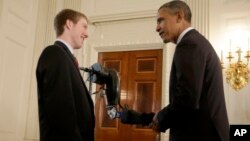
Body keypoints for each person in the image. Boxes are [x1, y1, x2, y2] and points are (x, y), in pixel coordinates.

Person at [150, 1, 229, 141]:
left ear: (179, 16)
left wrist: (160, 119)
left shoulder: (188, 45)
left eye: (160, 20)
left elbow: (187, 100)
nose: (157, 28)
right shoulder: (197, 42)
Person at [36, 9, 95, 141]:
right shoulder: (54, 54)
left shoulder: (66, 58)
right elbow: (61, 115)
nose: (87, 34)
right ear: (69, 24)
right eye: (84, 26)